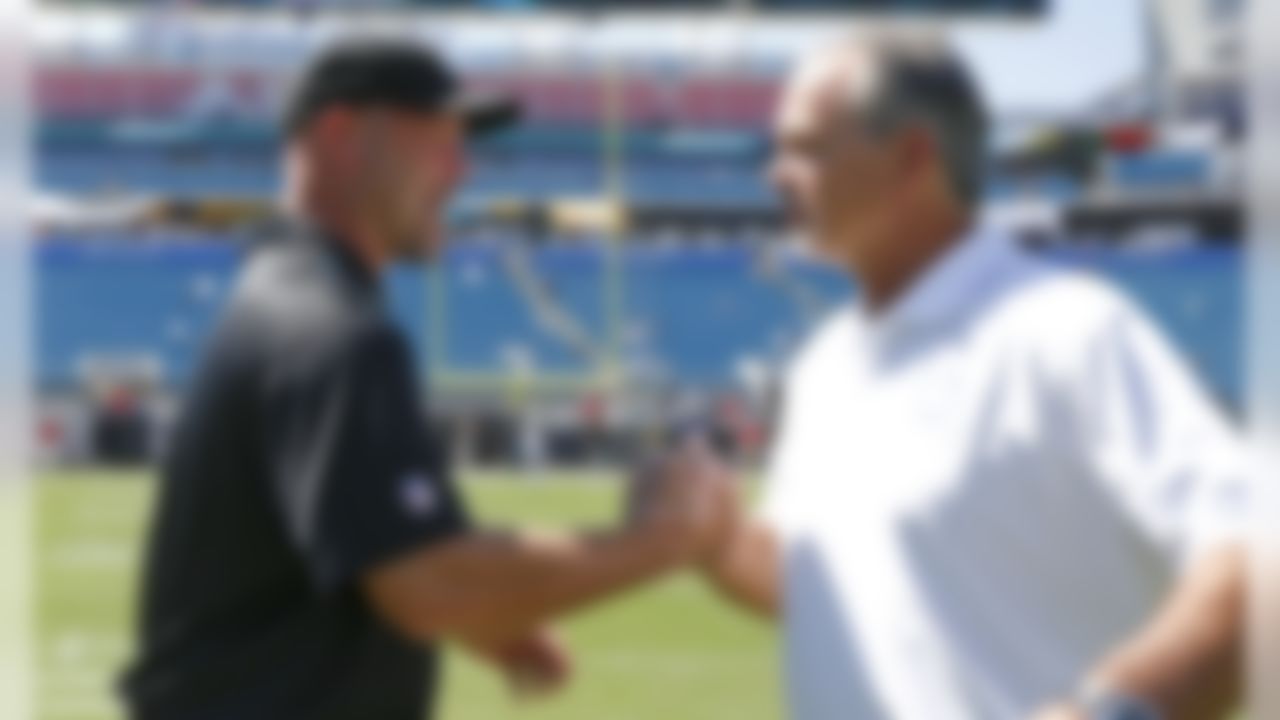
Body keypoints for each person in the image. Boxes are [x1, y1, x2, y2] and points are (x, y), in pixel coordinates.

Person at [119, 39, 733, 720]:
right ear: (340, 135)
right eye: (438, 140)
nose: (461, 170)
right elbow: (422, 583)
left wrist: (488, 621)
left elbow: (364, 543)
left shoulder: (289, 299)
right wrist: (660, 541)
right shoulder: (331, 330)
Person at [673, 33, 1250, 720]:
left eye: (807, 148)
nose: (776, 173)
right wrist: (715, 544)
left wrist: (1106, 711)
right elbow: (825, 587)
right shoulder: (826, 364)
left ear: (911, 156)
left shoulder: (1064, 331)